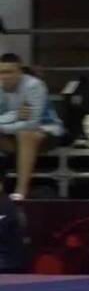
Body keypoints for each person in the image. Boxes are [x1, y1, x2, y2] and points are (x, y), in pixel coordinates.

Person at [0, 54, 64, 200]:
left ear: (19, 72)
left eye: (9, 72)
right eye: (1, 72)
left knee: (25, 134)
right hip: (13, 133)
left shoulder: (34, 86)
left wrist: (3, 126)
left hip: (46, 129)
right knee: (20, 134)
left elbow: (31, 123)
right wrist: (15, 114)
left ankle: (21, 191)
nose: (5, 76)